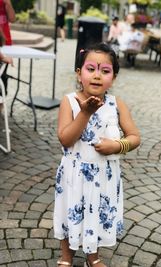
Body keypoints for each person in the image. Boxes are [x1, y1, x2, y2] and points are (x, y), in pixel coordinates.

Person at [53, 42, 141, 267]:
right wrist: (85, 113)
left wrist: (117, 146)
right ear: (79, 73)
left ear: (114, 77)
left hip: (104, 176)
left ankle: (93, 256)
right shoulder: (70, 101)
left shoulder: (116, 104)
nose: (97, 76)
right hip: (75, 175)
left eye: (105, 71)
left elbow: (134, 137)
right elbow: (65, 139)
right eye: (90, 69)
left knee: (98, 214)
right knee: (70, 212)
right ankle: (66, 257)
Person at [0, 0, 15, 112]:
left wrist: (8, 4)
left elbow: (12, 18)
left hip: (4, 41)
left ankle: (1, 100)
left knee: (3, 74)